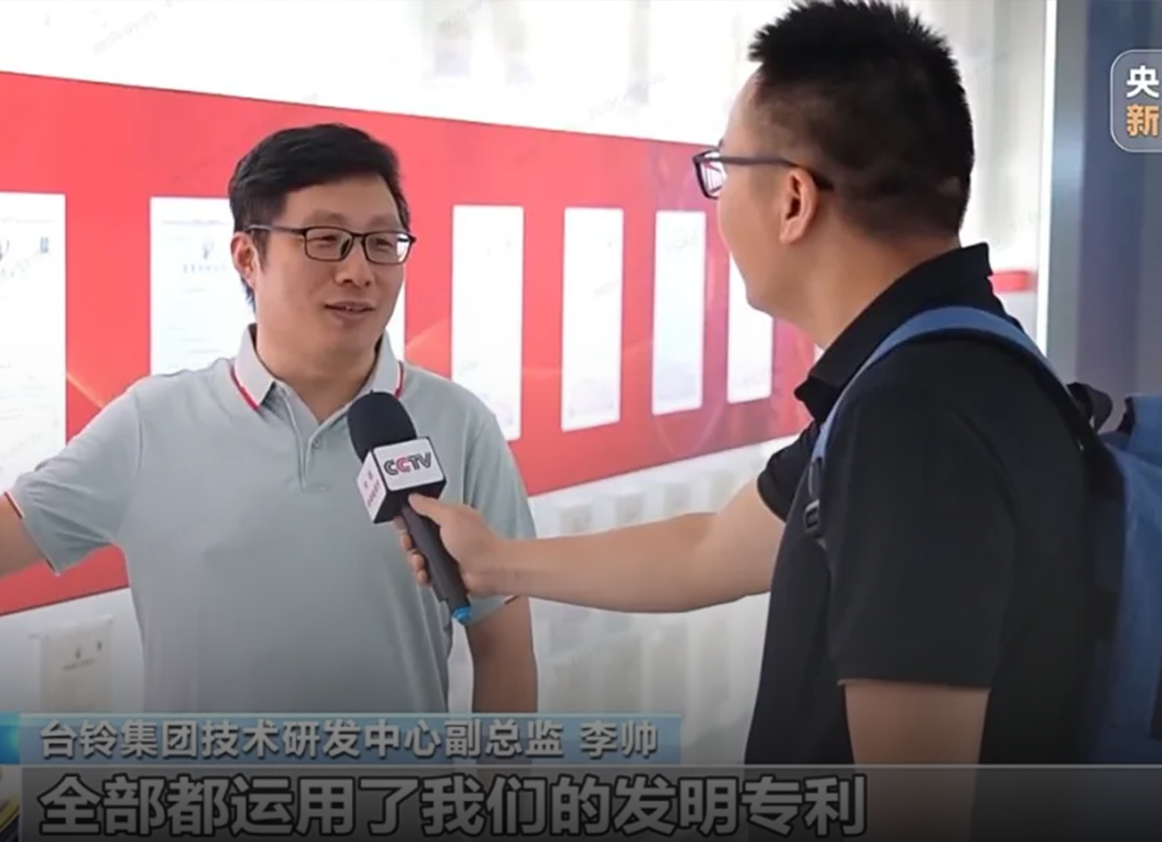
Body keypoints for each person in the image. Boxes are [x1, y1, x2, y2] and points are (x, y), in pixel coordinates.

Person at [399, 0, 1091, 809]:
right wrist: (494, 562)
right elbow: (709, 552)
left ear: (793, 200)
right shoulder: (953, 363)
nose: (717, 205)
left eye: (723, 171)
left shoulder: (912, 425)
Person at [0, 123, 538, 715]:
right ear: (247, 257)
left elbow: (502, 650)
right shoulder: (154, 422)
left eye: (381, 243)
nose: (358, 270)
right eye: (325, 239)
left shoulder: (457, 424)